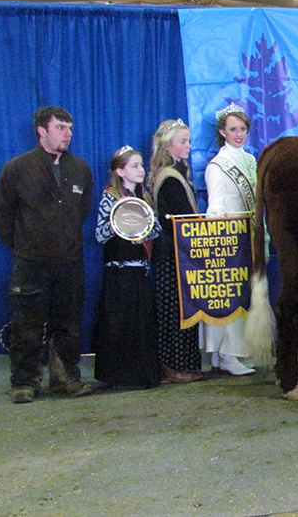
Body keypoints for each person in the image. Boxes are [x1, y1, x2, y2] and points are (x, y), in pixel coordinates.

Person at [0, 106, 94, 403]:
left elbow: (81, 210)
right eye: (61, 127)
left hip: (70, 260)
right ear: (42, 131)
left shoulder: (80, 168)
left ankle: (66, 378)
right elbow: (2, 212)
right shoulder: (17, 168)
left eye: (70, 128)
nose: (68, 133)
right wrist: (26, 243)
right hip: (30, 261)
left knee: (69, 323)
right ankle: (24, 382)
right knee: (26, 325)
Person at [93, 145, 162, 389]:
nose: (141, 170)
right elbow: (100, 235)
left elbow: (156, 229)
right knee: (118, 324)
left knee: (140, 324)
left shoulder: (144, 198)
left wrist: (142, 231)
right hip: (118, 271)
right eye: (134, 166)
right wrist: (118, 221)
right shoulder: (110, 197)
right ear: (120, 171)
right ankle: (118, 376)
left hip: (140, 270)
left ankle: (141, 374)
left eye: (141, 165)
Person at [201, 104, 257, 376]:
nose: (239, 134)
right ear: (222, 132)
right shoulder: (217, 166)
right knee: (229, 296)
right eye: (233, 129)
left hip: (250, 236)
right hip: (228, 239)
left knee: (244, 295)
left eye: (243, 129)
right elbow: (215, 207)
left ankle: (228, 354)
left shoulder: (250, 160)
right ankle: (226, 355)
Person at [149, 119, 203, 384]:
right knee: (176, 309)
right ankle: (173, 365)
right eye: (183, 142)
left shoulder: (176, 173)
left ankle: (180, 363)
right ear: (168, 146)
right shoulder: (171, 177)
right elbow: (182, 219)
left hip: (178, 251)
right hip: (174, 252)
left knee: (181, 308)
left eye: (189, 141)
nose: (188, 147)